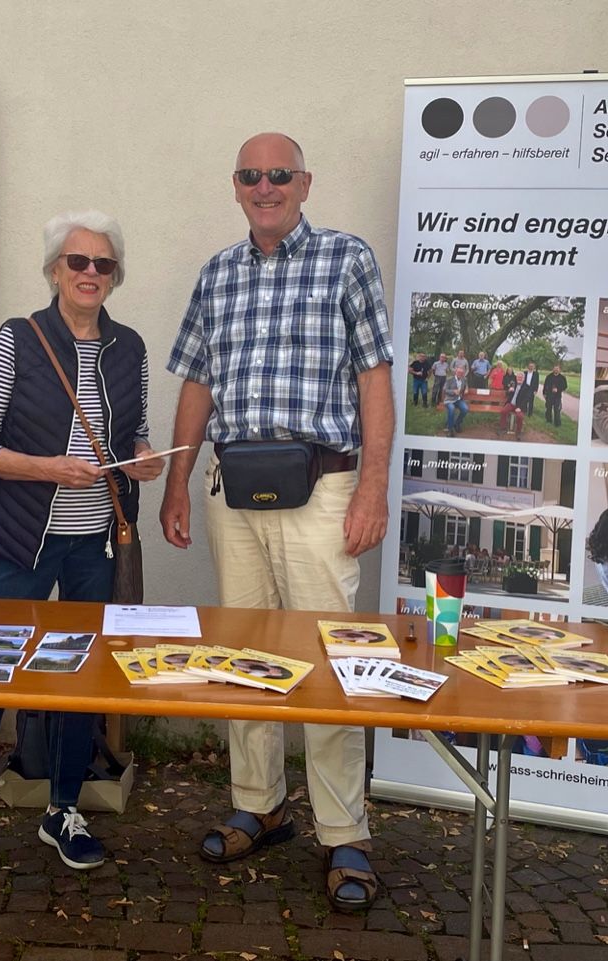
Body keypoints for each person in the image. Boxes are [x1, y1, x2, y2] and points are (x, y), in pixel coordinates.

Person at [159, 133, 393, 913]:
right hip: (234, 486)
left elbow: (374, 377)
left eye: (279, 175)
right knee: (243, 652)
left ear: (304, 182)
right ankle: (258, 803)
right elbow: (196, 382)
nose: (266, 187)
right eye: (251, 176)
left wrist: (371, 487)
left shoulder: (346, 258)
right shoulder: (216, 273)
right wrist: (177, 481)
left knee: (327, 655)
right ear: (235, 186)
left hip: (322, 485)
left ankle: (343, 829)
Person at [0, 209, 162, 892]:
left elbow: (134, 428)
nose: (90, 273)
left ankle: (63, 808)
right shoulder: (18, 338)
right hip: (21, 541)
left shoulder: (130, 347)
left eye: (103, 264)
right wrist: (48, 468)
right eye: (78, 261)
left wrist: (141, 456)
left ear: (115, 276)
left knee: (78, 679)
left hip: (94, 544)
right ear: (54, 270)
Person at [499, 371, 534, 439]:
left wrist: (520, 407)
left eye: (521, 377)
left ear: (524, 378)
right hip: (511, 404)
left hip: (520, 406)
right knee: (503, 411)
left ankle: (518, 432)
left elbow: (527, 399)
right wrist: (509, 390)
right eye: (518, 377)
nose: (519, 378)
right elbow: (507, 394)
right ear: (516, 378)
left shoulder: (527, 387)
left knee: (520, 416)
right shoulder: (513, 384)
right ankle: (503, 428)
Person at [442, 362, 469, 437]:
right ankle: (450, 429)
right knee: (452, 409)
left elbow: (466, 385)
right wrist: (453, 391)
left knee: (465, 409)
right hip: (449, 400)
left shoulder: (464, 379)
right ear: (455, 372)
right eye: (459, 372)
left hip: (458, 399)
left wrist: (466, 389)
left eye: (462, 373)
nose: (460, 374)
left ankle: (457, 423)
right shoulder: (449, 379)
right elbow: (445, 390)